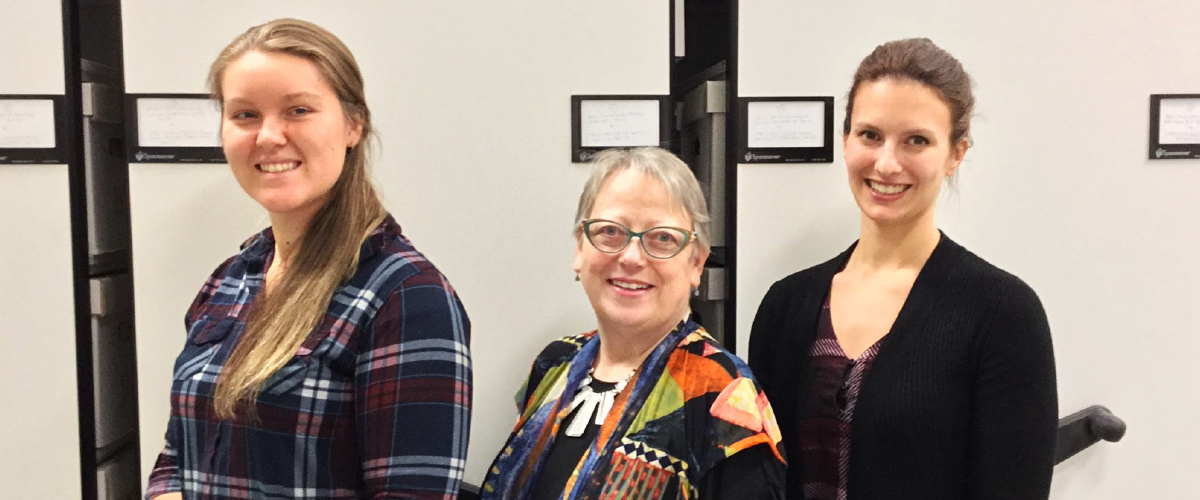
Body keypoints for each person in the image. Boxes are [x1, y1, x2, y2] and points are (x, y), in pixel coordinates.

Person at [144, 18, 472, 500]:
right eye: (245, 115)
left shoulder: (406, 298)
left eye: (298, 110)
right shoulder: (229, 282)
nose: (269, 136)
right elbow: (180, 454)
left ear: (353, 125)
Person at [749, 38, 1057, 500]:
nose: (887, 163)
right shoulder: (786, 304)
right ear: (846, 140)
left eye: (917, 140)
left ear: (956, 154)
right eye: (870, 135)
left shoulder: (1002, 313)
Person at [482, 147, 786, 500]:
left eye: (662, 238)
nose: (630, 257)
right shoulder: (556, 363)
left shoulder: (724, 395)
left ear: (696, 264)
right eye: (611, 231)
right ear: (580, 248)